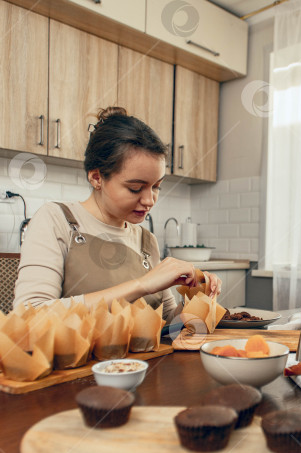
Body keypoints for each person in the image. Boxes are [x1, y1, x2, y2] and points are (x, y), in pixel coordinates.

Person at [13, 106, 221, 321]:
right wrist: (142, 285)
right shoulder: (56, 219)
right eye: (135, 188)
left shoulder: (145, 240)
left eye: (156, 186)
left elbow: (167, 322)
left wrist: (198, 296)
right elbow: (29, 315)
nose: (150, 200)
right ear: (96, 178)